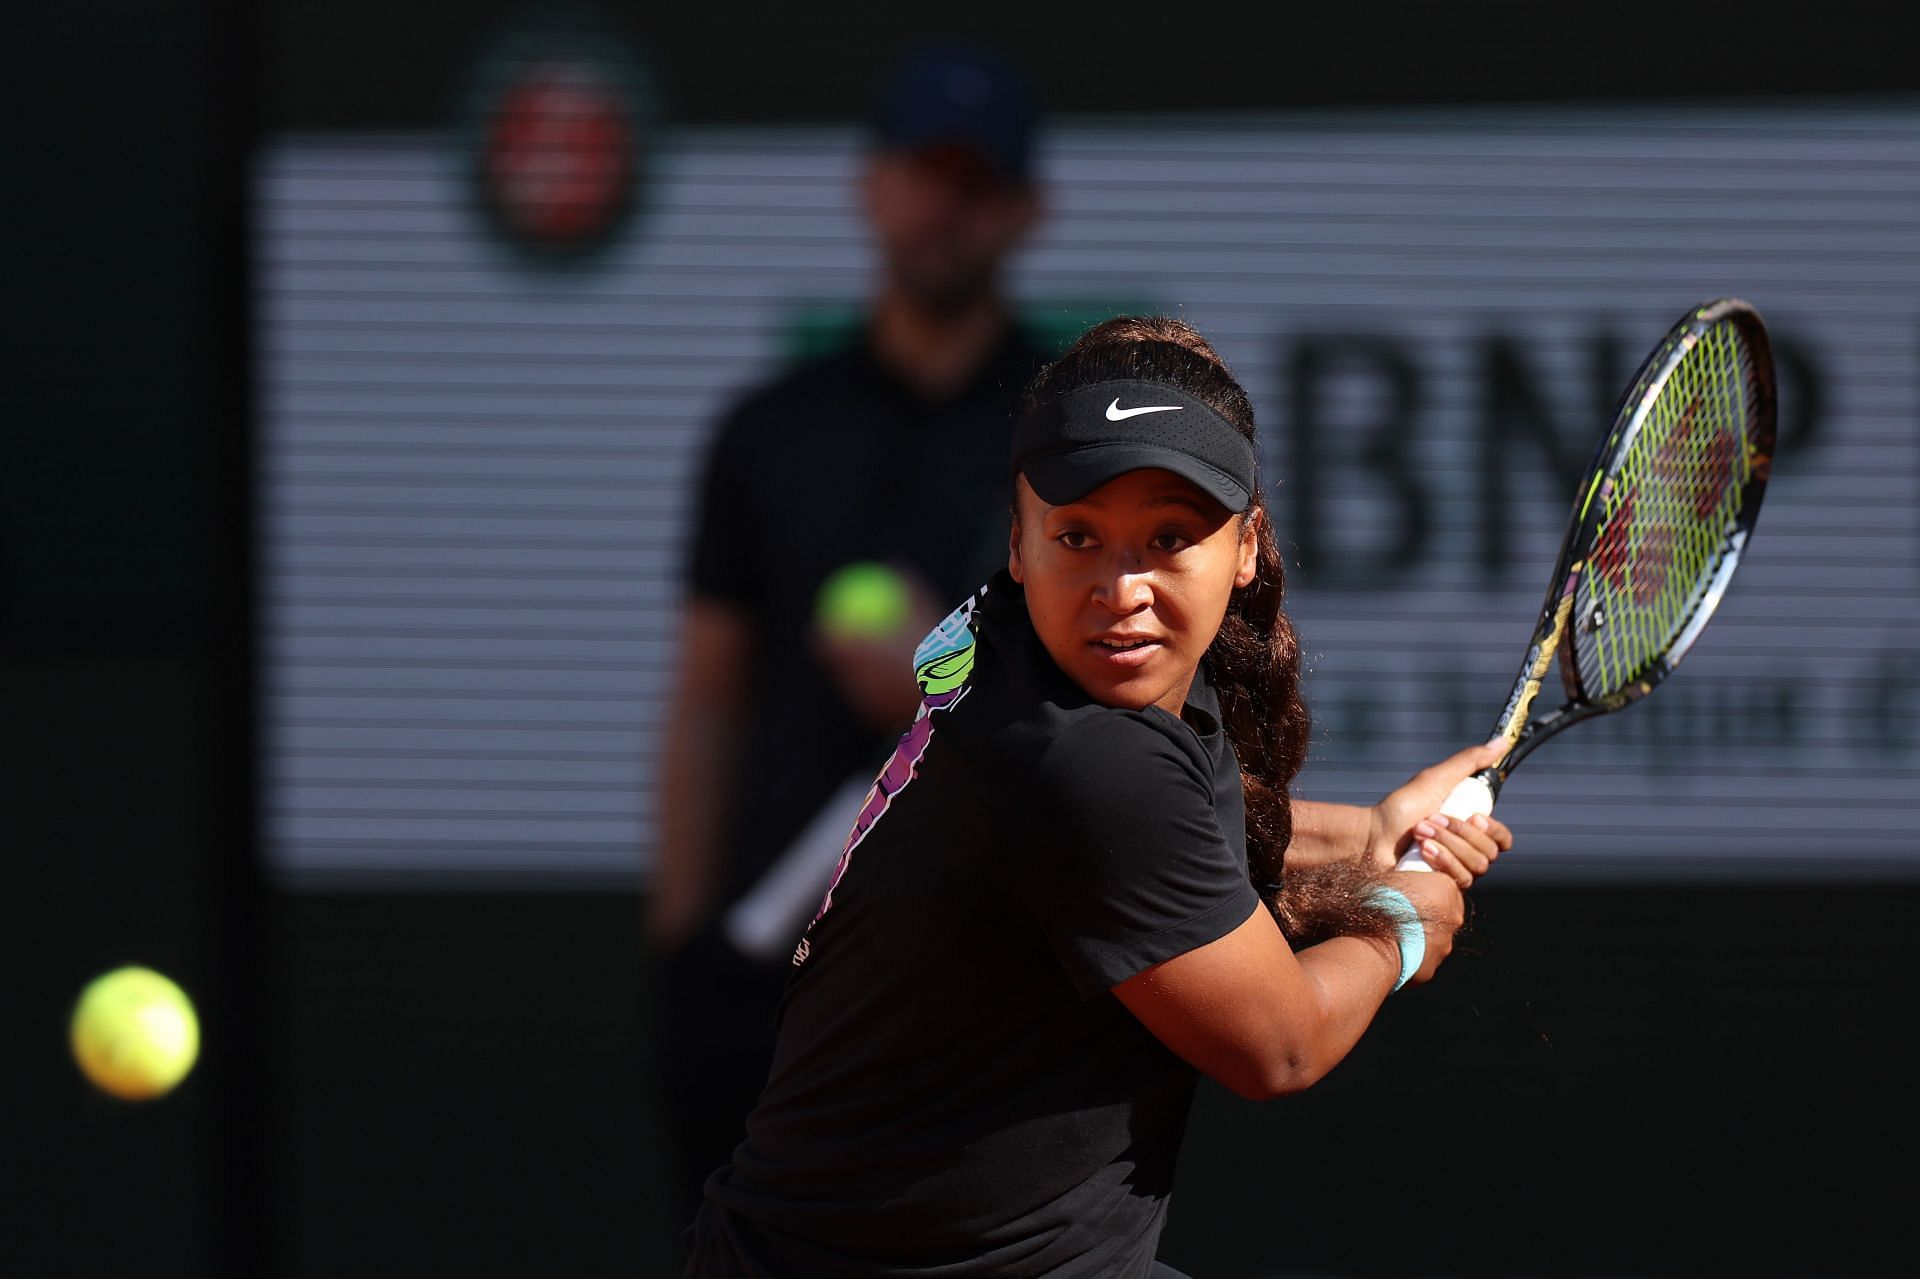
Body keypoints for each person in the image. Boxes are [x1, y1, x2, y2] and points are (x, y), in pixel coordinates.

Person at [679, 315, 1514, 1277]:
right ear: (1020, 542)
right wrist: (1399, 927)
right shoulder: (1082, 759)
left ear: (1246, 547)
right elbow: (1280, 1044)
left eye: (1169, 537)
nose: (1123, 586)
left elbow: (1168, 846)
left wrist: (1369, 831)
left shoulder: (1014, 645)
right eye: (1080, 534)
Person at [648, 42, 1051, 1238]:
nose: (946, 208)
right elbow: (707, 699)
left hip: (993, 981)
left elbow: (1111, 702)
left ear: (1025, 211)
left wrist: (945, 688)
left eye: (976, 183)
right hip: (767, 987)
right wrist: (686, 947)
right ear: (871, 188)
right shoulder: (769, 432)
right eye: (925, 173)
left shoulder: (1070, 436)